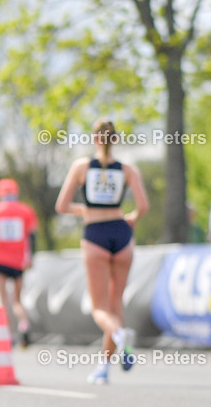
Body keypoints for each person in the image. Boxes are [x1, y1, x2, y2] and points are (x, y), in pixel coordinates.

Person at [55, 119, 149, 384]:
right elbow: (143, 206)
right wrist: (131, 217)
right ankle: (104, 367)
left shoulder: (82, 166)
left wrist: (85, 210)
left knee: (99, 308)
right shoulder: (128, 170)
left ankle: (119, 335)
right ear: (115, 140)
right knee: (115, 304)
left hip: (95, 233)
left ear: (94, 139)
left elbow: (61, 206)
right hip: (122, 233)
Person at [0, 179, 38, 348]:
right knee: (17, 301)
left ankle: (9, 334)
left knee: (3, 299)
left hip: (0, 260)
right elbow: (32, 237)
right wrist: (31, 257)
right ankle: (24, 324)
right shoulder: (26, 211)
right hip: (19, 261)